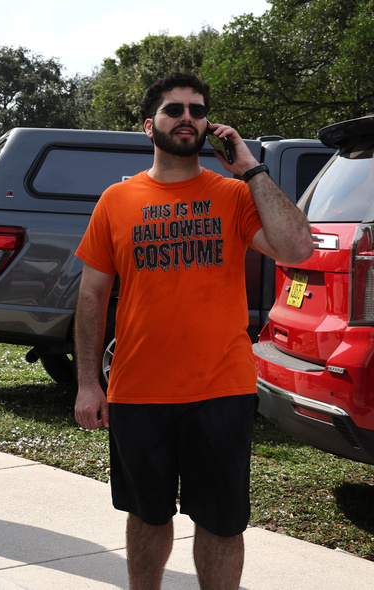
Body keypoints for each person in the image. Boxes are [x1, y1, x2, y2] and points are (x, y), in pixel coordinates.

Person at [73, 72, 314, 589]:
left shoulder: (233, 195)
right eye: (174, 109)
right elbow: (92, 296)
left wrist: (250, 168)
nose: (188, 117)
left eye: (198, 110)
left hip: (220, 389)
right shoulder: (116, 201)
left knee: (222, 523)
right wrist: (89, 383)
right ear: (149, 126)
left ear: (210, 125)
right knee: (146, 517)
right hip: (139, 390)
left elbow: (298, 249)